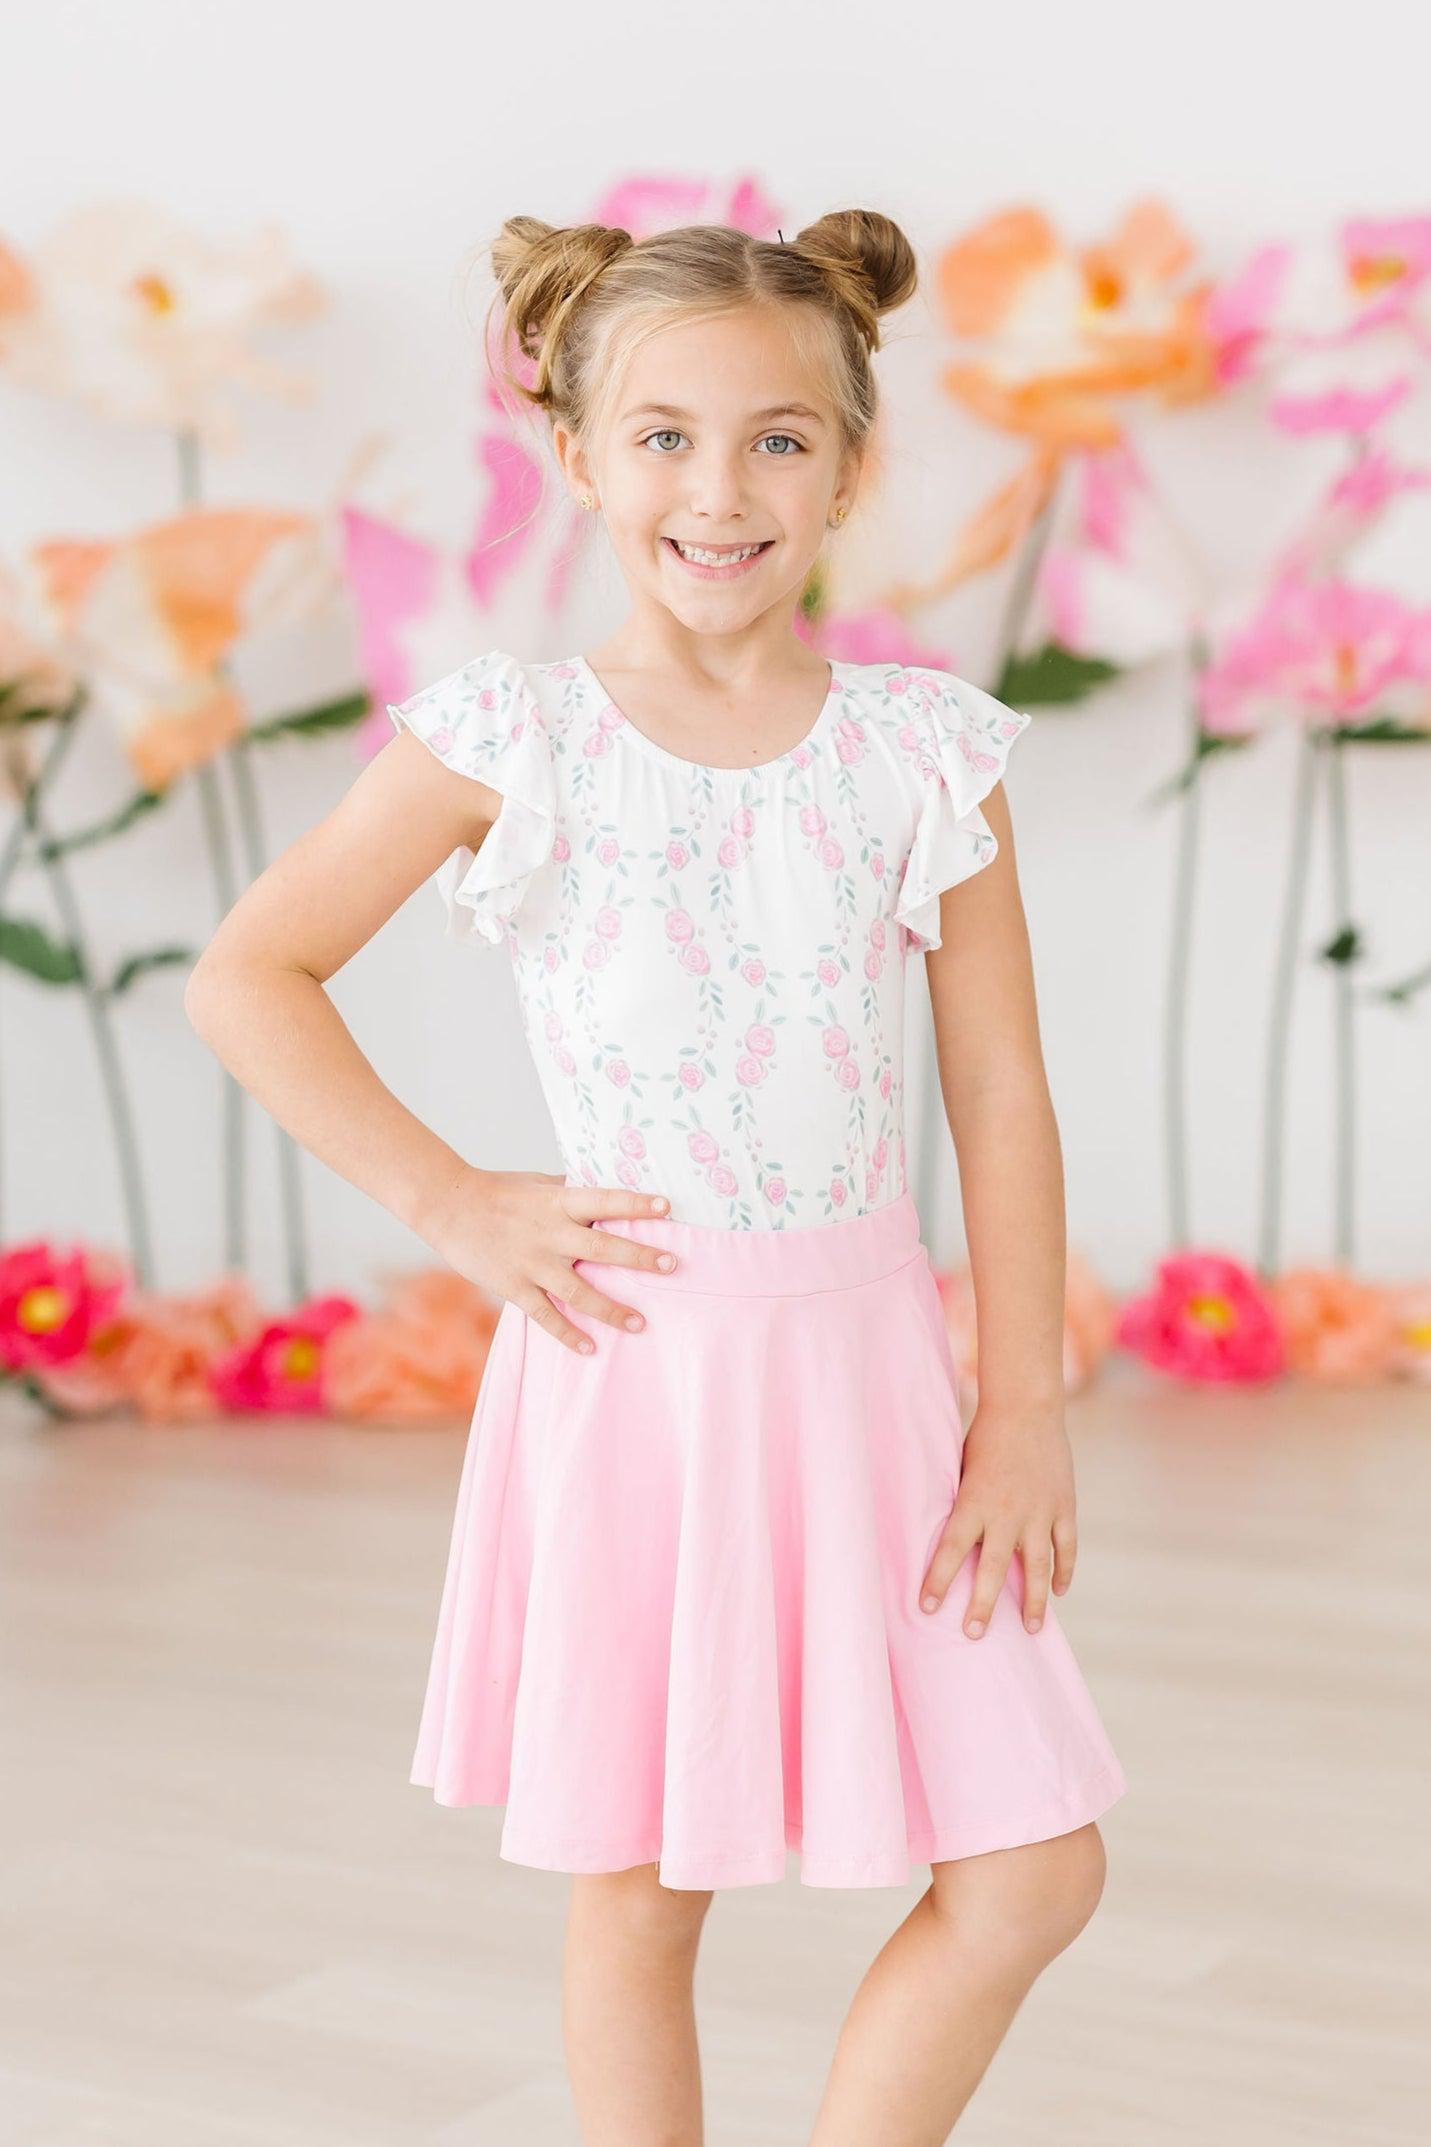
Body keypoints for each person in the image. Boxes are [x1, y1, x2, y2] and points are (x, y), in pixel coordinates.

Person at [185, 207, 1128, 2146]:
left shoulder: (917, 757)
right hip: (636, 1381)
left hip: (873, 1375)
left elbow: (999, 1091)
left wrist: (1022, 1407)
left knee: (1032, 1870)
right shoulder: (513, 742)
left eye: (779, 439)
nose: (720, 489)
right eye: (666, 437)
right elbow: (248, 976)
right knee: (640, 1883)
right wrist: (454, 1202)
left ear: (850, 466)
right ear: (579, 457)